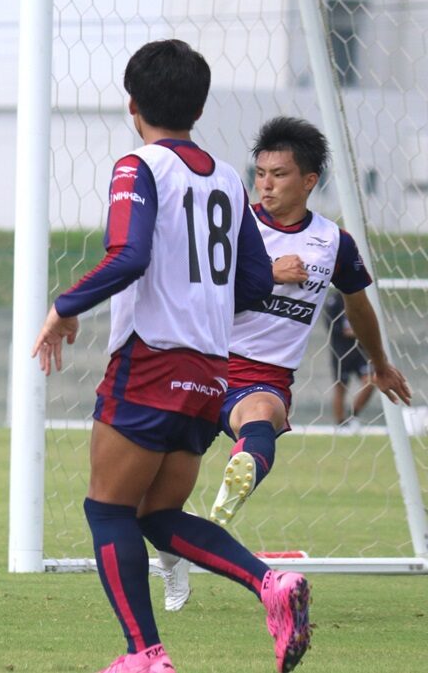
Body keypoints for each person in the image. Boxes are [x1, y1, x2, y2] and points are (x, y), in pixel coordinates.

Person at [32, 40, 312, 673]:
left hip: (152, 360)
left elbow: (128, 256)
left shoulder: (139, 166)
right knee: (157, 514)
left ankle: (145, 655)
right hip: (212, 371)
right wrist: (201, 300)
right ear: (199, 107)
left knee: (107, 509)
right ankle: (270, 583)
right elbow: (257, 282)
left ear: (132, 104)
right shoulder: (229, 178)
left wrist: (64, 306)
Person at [156, 116, 412, 613]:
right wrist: (268, 273)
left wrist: (380, 364)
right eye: (260, 173)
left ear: (309, 180)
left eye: (279, 174)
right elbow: (188, 290)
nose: (265, 184)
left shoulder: (333, 242)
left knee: (263, 416)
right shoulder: (233, 225)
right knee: (157, 498)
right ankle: (172, 557)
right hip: (202, 360)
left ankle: (241, 475)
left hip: (264, 374)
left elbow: (359, 306)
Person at [323, 288, 374, 431]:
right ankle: (340, 424)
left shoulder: (361, 297)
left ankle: (353, 414)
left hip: (361, 350)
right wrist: (348, 332)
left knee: (370, 381)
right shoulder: (334, 301)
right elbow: (331, 325)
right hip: (341, 351)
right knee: (341, 387)